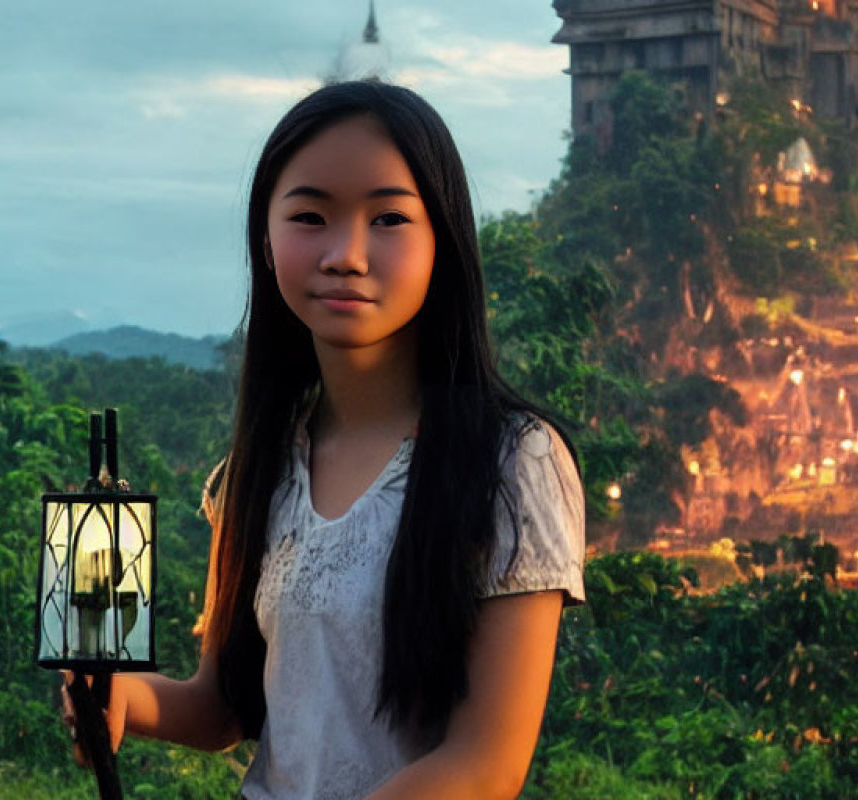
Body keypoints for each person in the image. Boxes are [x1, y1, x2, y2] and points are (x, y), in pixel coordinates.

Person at [63, 80, 585, 800]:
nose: (346, 253)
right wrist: (118, 699)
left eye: (390, 219)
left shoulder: (510, 463)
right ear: (267, 240)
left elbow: (484, 765)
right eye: (310, 215)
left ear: (444, 240)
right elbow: (225, 706)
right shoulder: (259, 471)